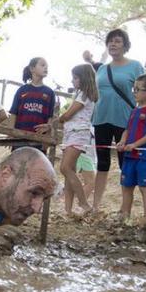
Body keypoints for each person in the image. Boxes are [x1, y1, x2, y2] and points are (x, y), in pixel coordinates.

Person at [90, 29, 145, 211]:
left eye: (118, 41)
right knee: (102, 162)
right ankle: (96, 205)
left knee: (125, 163)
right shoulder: (102, 69)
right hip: (101, 119)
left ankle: (125, 207)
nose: (113, 44)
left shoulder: (135, 66)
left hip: (125, 121)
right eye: (110, 41)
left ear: (125, 45)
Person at [117, 74, 146, 222]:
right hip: (129, 157)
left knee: (145, 187)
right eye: (134, 89)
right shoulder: (134, 110)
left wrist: (136, 145)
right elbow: (127, 130)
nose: (134, 92)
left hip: (144, 157)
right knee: (126, 187)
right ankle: (125, 217)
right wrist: (122, 141)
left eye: (137, 89)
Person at [55, 64, 98, 217]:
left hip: (78, 133)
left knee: (65, 168)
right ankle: (68, 209)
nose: (72, 81)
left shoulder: (84, 95)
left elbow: (68, 114)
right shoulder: (80, 94)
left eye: (75, 78)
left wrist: (55, 121)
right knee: (69, 171)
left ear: (83, 79)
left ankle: (83, 202)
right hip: (71, 133)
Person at [10, 57, 57, 151]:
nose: (46, 68)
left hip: (39, 139)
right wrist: (10, 133)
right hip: (20, 138)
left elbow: (50, 118)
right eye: (43, 65)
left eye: (47, 66)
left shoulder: (50, 92)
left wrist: (47, 137)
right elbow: (13, 113)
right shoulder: (22, 90)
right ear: (32, 69)